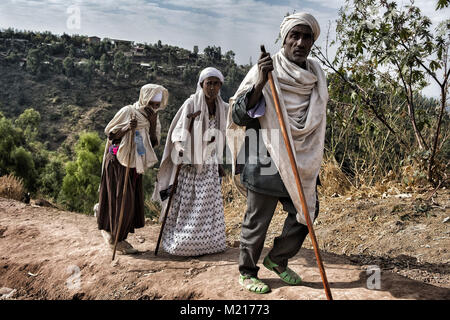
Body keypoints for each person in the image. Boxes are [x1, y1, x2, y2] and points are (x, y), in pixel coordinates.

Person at [226, 12, 328, 293]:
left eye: (306, 37)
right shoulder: (266, 70)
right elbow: (239, 114)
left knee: (307, 213)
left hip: (302, 160)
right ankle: (247, 272)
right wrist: (260, 81)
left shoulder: (316, 75)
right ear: (284, 39)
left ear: (312, 42)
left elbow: (316, 121)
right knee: (258, 220)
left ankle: (277, 259)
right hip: (266, 160)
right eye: (294, 35)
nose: (300, 42)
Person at [152, 67, 228, 256]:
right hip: (190, 162)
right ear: (201, 84)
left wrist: (218, 164)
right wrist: (179, 148)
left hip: (209, 161)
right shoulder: (191, 103)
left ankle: (209, 242)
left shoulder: (222, 107)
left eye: (216, 83)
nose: (212, 87)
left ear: (220, 86)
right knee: (188, 202)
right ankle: (184, 242)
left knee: (207, 203)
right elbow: (178, 131)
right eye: (208, 83)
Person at [97, 84, 169, 254]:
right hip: (118, 162)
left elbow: (152, 143)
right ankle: (117, 239)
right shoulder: (128, 111)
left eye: (157, 105)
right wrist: (127, 128)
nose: (154, 108)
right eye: (152, 103)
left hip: (135, 163)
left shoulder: (154, 119)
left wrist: (151, 124)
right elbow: (110, 134)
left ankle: (117, 235)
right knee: (121, 199)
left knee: (128, 201)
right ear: (144, 99)